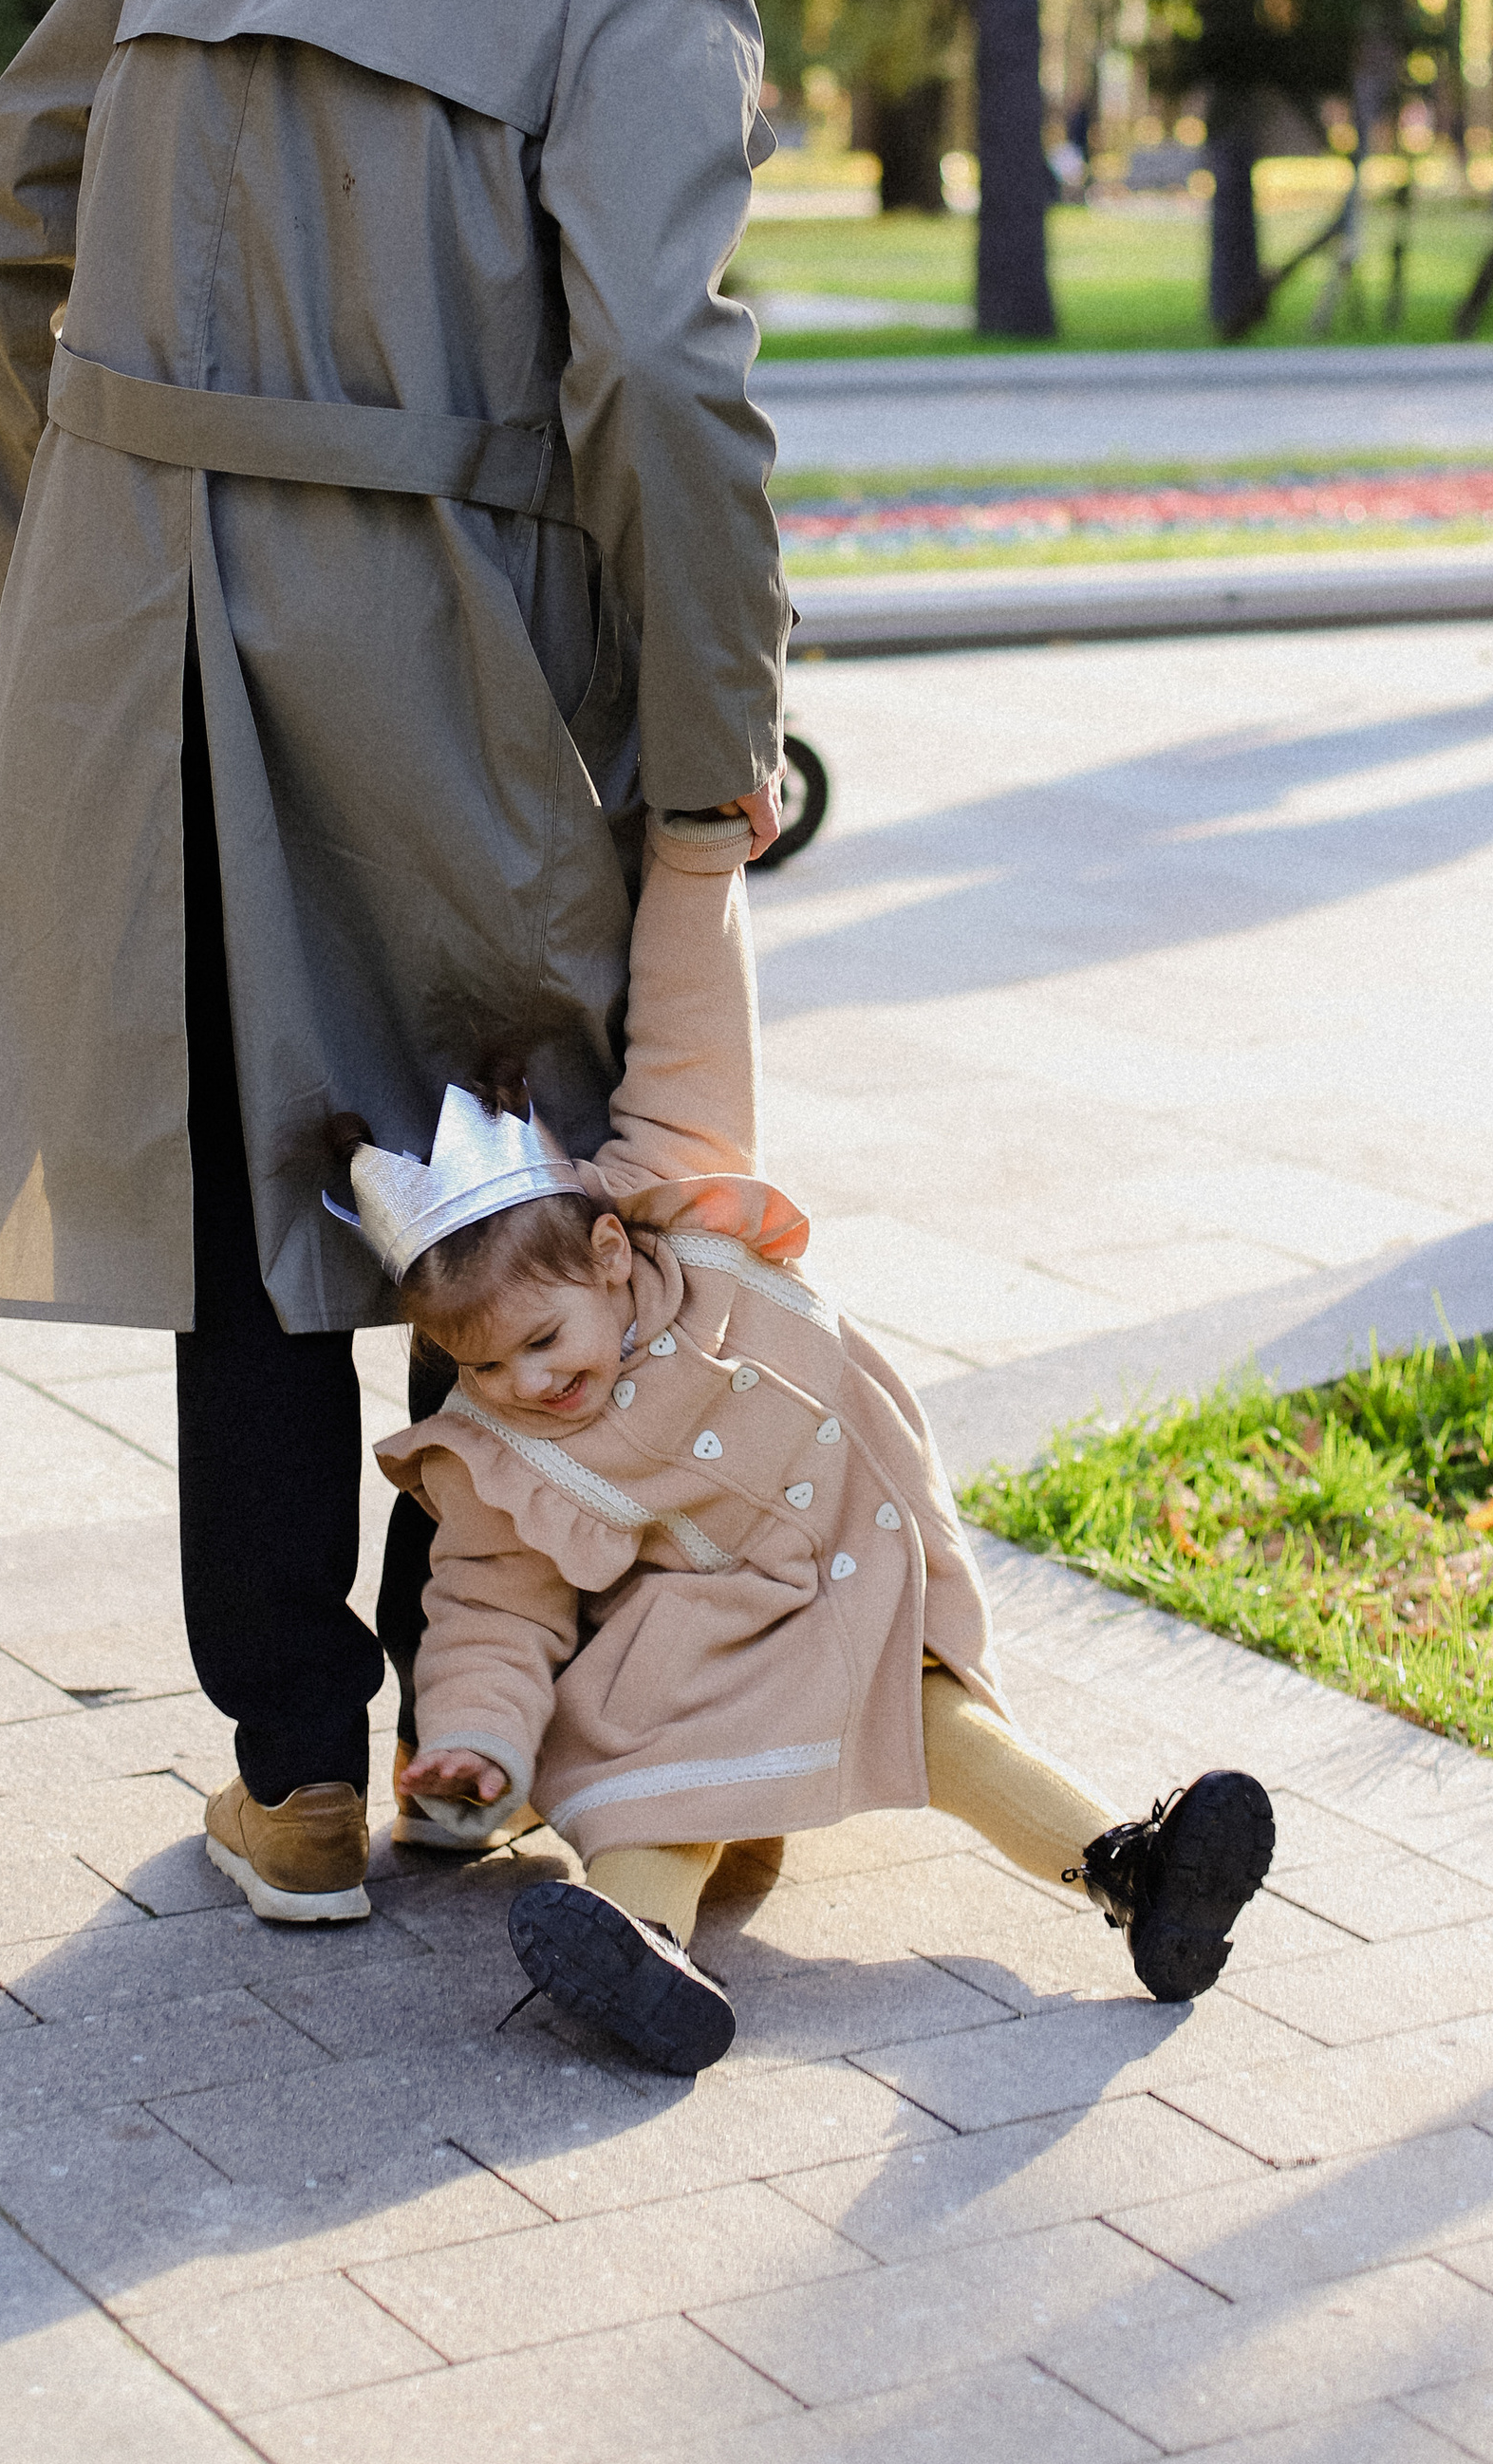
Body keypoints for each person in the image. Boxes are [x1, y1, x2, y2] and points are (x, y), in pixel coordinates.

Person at [0, 0, 849, 1926]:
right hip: (445, 631)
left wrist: (71, 546)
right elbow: (655, 373)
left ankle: (296, 1778)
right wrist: (705, 737)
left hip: (140, 630)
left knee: (246, 1197)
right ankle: (519, 1712)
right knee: (511, 1178)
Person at [357, 814, 1277, 2076]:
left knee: (946, 1728)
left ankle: (1138, 1873)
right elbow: (486, 1602)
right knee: (660, 1781)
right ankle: (634, 1948)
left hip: (861, 1586)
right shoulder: (502, 1450)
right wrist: (477, 1737)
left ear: (612, 1258)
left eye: (542, 1339)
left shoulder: (692, 1217)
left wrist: (694, 860)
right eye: (482, 1363)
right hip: (699, 1653)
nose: (525, 1382)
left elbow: (688, 1031)